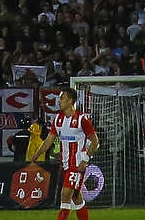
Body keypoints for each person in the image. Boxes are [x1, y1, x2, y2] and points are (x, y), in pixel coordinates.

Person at [52, 91, 96, 220]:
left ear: (70, 100)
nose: (59, 100)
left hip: (76, 165)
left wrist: (85, 160)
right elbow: (50, 139)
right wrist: (37, 154)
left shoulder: (82, 119)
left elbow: (95, 141)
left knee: (65, 195)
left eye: (62, 98)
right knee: (76, 197)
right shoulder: (58, 119)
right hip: (65, 164)